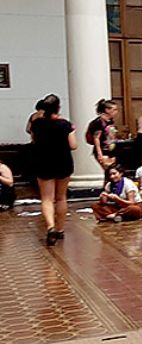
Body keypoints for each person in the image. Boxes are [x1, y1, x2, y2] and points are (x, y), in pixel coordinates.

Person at [30, 95, 76, 245]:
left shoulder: (37, 124)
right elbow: (73, 145)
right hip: (63, 161)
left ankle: (50, 227)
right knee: (61, 197)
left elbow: (34, 140)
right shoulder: (65, 124)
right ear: (59, 108)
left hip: (43, 161)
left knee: (47, 198)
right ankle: (60, 229)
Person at [86, 99, 118, 169]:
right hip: (103, 149)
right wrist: (99, 154)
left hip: (111, 149)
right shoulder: (99, 122)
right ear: (107, 110)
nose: (116, 112)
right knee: (109, 170)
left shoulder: (110, 121)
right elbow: (96, 138)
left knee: (113, 170)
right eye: (114, 109)